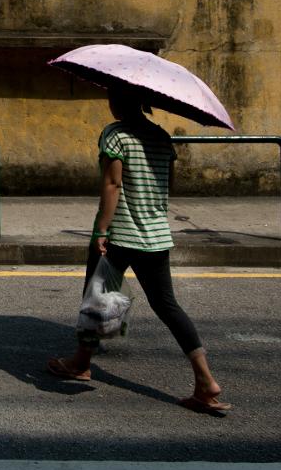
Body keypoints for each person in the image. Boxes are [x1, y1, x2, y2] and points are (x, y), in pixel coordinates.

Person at [47, 85, 231, 415]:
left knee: (96, 297)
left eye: (111, 97)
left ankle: (80, 363)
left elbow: (113, 184)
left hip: (120, 233)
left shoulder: (115, 135)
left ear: (119, 102)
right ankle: (205, 380)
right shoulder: (161, 137)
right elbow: (166, 186)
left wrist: (102, 229)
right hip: (156, 236)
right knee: (167, 306)